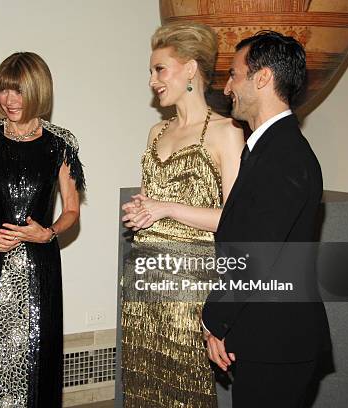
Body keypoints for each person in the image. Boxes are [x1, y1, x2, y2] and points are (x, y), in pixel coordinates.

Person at [201, 31, 331, 407]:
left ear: (262, 78)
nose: (227, 88)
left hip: (279, 341)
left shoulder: (284, 155)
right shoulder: (267, 149)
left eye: (233, 75)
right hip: (265, 335)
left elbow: (256, 255)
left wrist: (214, 320)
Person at [121, 22, 244, 407]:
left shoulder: (227, 133)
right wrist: (142, 208)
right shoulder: (156, 132)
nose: (153, 80)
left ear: (190, 69)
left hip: (190, 289)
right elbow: (153, 200)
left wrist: (166, 208)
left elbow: (236, 219)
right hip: (143, 280)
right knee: (144, 383)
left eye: (160, 69)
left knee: (184, 391)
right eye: (151, 71)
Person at [0, 51, 84, 407]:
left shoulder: (60, 144)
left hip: (40, 265)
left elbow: (72, 209)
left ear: (38, 91)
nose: (9, 100)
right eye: (3, 91)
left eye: (19, 91)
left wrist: (50, 232)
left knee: (37, 351)